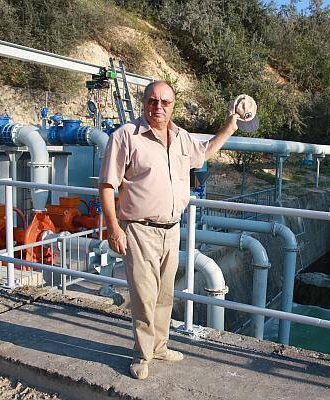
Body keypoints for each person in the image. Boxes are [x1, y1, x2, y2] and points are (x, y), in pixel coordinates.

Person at [98, 81, 240, 380]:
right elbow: (108, 186)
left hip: (172, 229)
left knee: (165, 294)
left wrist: (229, 127)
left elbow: (205, 152)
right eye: (152, 101)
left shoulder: (181, 137)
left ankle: (160, 347)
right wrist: (113, 228)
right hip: (139, 230)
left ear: (173, 105)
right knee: (144, 296)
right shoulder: (126, 136)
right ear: (144, 102)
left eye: (165, 102)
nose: (158, 107)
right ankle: (142, 355)